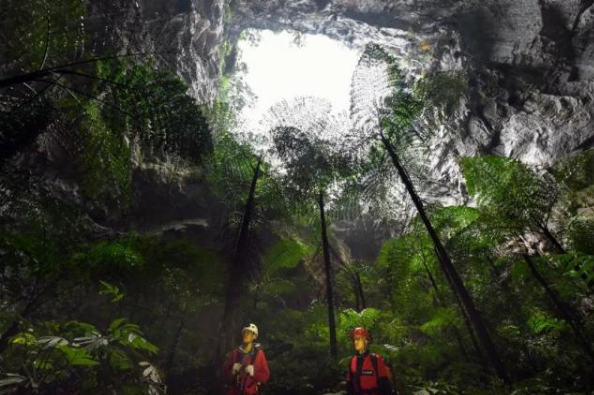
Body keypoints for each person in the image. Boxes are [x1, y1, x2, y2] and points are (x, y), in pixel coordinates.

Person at [346, 327, 396, 395]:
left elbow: (385, 385)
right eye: (354, 340)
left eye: (358, 339)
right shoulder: (352, 361)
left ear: (366, 341)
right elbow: (349, 386)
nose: (355, 342)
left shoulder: (376, 360)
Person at [224, 323, 270, 395]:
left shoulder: (259, 354)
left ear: (254, 336)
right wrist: (232, 371)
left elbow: (265, 376)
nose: (246, 334)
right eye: (244, 332)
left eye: (248, 333)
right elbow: (224, 375)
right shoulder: (235, 353)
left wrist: (254, 373)